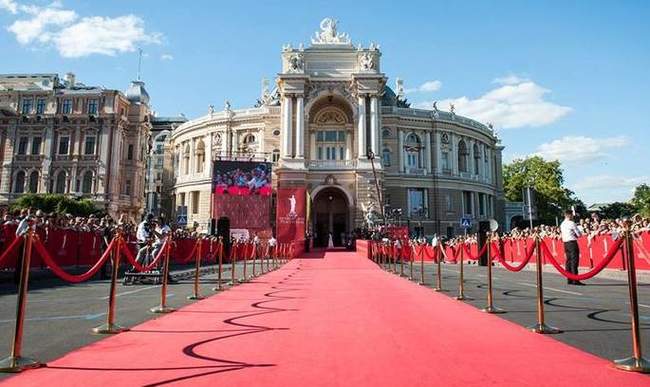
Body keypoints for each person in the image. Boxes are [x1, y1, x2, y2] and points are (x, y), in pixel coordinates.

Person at [560, 210, 584, 286]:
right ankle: (575, 279)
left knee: (568, 261)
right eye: (572, 215)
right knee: (574, 261)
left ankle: (569, 278)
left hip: (566, 243)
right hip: (572, 243)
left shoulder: (562, 224)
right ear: (569, 215)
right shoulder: (571, 223)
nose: (573, 216)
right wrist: (579, 233)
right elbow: (579, 234)